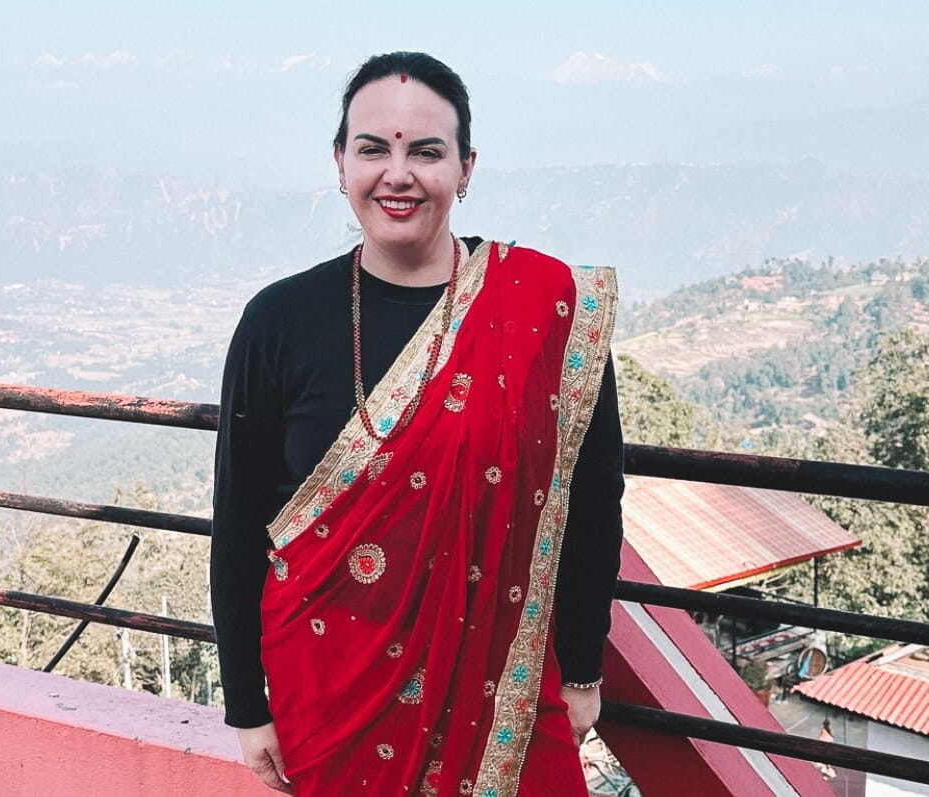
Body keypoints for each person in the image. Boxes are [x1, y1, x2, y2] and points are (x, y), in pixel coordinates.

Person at [210, 51, 626, 796]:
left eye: (426, 151)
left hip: (505, 695)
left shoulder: (544, 313)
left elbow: (593, 505)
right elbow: (239, 520)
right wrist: (247, 704)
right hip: (328, 694)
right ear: (340, 163)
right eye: (373, 148)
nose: (397, 174)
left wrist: (585, 665)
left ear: (466, 168)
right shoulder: (278, 321)